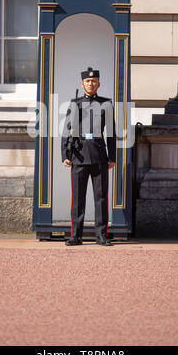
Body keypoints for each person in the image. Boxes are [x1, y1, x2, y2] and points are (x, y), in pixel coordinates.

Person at [61, 67, 116, 246]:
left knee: (101, 198)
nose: (90, 83)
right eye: (87, 81)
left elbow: (111, 133)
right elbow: (66, 131)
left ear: (98, 84)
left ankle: (101, 235)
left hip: (99, 155)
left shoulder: (106, 103)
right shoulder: (74, 103)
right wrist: (65, 154)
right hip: (78, 154)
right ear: (82, 83)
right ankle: (76, 235)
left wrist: (112, 156)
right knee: (78, 198)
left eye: (94, 81)